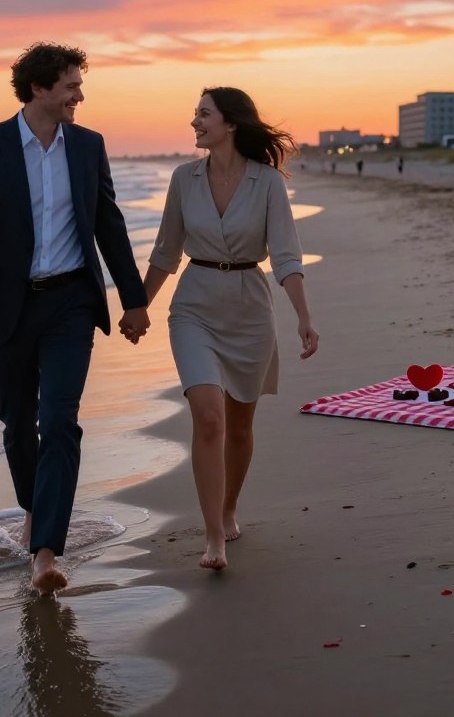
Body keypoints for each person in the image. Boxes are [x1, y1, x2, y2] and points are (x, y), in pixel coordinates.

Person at [0, 43, 149, 594]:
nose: (80, 95)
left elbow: (108, 222)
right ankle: (35, 511)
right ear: (39, 89)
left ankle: (46, 553)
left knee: (59, 419)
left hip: (71, 304)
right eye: (71, 86)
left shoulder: (88, 146)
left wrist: (134, 299)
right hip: (7, 305)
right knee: (17, 423)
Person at [127, 87, 319, 572]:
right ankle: (214, 534)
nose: (194, 121)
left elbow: (287, 254)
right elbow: (166, 251)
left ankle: (230, 505)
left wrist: (303, 316)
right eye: (195, 113)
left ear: (230, 123)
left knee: (239, 427)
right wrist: (138, 307)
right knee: (208, 417)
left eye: (204, 114)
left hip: (250, 309)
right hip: (194, 306)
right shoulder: (183, 178)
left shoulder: (267, 182)